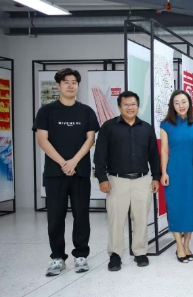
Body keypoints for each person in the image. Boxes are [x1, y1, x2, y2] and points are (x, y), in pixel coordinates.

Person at [33, 68, 100, 276]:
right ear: (58, 85)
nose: (71, 85)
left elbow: (90, 139)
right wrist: (64, 163)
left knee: (81, 215)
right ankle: (57, 258)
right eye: (66, 82)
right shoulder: (46, 111)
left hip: (80, 172)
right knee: (55, 217)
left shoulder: (86, 111)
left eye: (74, 82)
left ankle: (81, 256)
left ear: (78, 85)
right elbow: (42, 140)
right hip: (55, 173)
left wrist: (74, 161)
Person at [94, 91, 161, 271]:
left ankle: (140, 252)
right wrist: (102, 178)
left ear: (138, 106)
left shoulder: (146, 128)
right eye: (126, 104)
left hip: (142, 180)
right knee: (116, 219)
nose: (130, 107)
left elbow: (154, 155)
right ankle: (115, 255)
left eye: (133, 104)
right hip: (117, 180)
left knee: (141, 218)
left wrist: (156, 177)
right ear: (119, 107)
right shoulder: (109, 127)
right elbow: (100, 155)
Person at [160, 90, 193, 263]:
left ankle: (187, 244)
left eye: (184, 101)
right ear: (172, 106)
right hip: (174, 171)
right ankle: (179, 246)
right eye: (176, 103)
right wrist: (164, 172)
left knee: (190, 207)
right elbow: (164, 150)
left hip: (192, 171)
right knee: (175, 207)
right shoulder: (166, 125)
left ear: (190, 103)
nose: (181, 105)